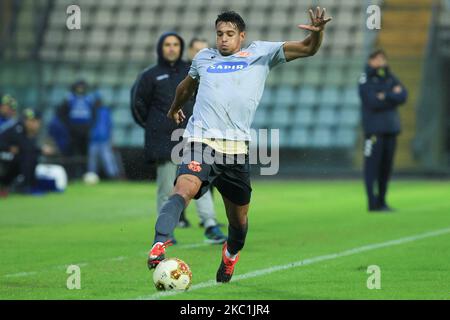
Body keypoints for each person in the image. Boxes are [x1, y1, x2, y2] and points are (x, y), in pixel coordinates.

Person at [146, 8, 332, 283]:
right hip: (201, 141)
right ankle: (159, 244)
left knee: (239, 223)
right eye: (219, 34)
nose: (223, 39)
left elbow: (307, 49)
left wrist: (318, 34)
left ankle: (230, 255)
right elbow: (186, 87)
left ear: (241, 36)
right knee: (183, 189)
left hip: (236, 151)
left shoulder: (260, 53)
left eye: (230, 34)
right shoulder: (203, 58)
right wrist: (175, 108)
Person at [131, 32, 227, 245]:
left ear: (181, 47)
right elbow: (138, 105)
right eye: (167, 44)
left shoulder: (190, 71)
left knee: (198, 182)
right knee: (166, 188)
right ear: (160, 48)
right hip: (164, 141)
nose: (172, 48)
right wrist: (154, 127)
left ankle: (210, 225)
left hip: (193, 137)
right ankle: (166, 232)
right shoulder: (150, 75)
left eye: (175, 44)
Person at [359, 49, 408, 212]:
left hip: (390, 129)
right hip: (374, 131)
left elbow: (403, 96)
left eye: (383, 59)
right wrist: (391, 96)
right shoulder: (366, 78)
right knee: (372, 167)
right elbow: (372, 101)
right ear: (370, 61)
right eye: (377, 59)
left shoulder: (389, 77)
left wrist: (384, 96)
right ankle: (372, 203)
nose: (381, 62)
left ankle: (382, 201)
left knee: (386, 168)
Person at [0, 108, 54, 194]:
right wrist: (8, 147)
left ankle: (29, 185)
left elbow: (25, 148)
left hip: (11, 154)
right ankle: (26, 187)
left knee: (30, 157)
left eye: (36, 121)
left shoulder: (28, 131)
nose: (34, 124)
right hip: (3, 153)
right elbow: (25, 147)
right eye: (31, 121)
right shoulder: (18, 129)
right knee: (26, 158)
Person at [58, 80, 99, 178]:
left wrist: (89, 126)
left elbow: (94, 114)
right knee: (72, 153)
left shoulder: (89, 99)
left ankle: (84, 174)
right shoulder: (69, 98)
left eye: (82, 87)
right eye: (78, 87)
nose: (80, 89)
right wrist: (69, 126)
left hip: (85, 131)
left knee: (84, 154)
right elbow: (61, 113)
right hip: (73, 131)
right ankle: (71, 175)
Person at [86, 92, 120, 180]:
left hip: (104, 140)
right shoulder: (91, 111)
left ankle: (113, 176)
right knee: (92, 161)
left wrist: (111, 139)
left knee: (108, 159)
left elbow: (109, 126)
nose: (98, 102)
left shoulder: (105, 111)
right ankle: (91, 176)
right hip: (93, 140)